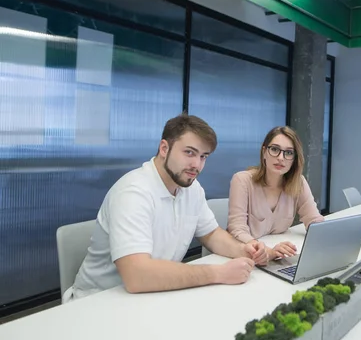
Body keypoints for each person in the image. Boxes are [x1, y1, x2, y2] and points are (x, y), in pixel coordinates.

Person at [69, 114, 267, 301]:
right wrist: (219, 273)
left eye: (203, 156)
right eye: (189, 152)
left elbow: (211, 234)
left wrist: (243, 250)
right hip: (100, 301)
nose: (196, 165)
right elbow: (136, 275)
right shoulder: (133, 192)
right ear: (164, 148)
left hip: (154, 294)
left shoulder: (191, 188)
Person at [227, 126, 324, 265]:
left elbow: (313, 219)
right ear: (264, 151)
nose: (280, 158)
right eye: (274, 149)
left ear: (294, 159)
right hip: (244, 258)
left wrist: (326, 236)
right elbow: (236, 229)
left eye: (288, 153)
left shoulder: (298, 182)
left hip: (278, 259)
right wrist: (267, 250)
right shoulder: (242, 180)